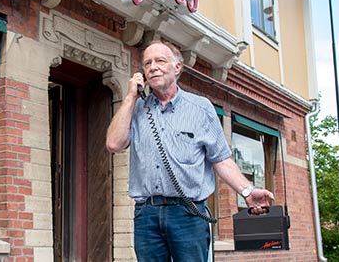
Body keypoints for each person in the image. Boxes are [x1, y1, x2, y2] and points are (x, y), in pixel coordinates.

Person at [106, 40, 275, 261]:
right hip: (147, 214)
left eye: (160, 61)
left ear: (177, 68)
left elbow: (221, 159)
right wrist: (130, 98)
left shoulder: (200, 108)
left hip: (188, 213)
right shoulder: (136, 109)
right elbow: (114, 144)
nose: (152, 67)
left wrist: (247, 191)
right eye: (147, 63)